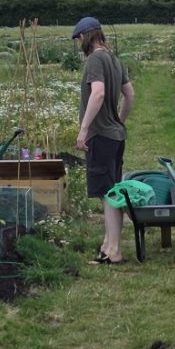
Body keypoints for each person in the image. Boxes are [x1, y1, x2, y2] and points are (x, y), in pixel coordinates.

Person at [73, 16, 135, 263]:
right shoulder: (114, 59)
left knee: (107, 193)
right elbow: (130, 94)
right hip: (116, 136)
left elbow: (97, 94)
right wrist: (119, 121)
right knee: (113, 191)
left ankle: (114, 252)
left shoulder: (95, 59)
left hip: (100, 136)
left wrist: (84, 129)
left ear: (84, 37)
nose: (78, 43)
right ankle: (109, 244)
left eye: (78, 39)